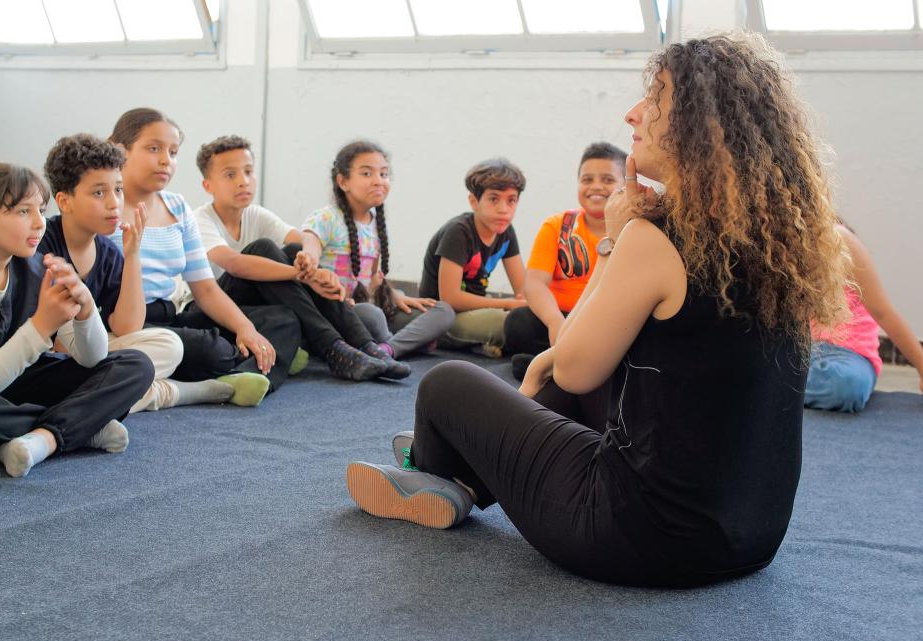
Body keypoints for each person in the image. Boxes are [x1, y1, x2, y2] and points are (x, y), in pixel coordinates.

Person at [345, 33, 850, 587]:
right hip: (750, 537)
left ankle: (439, 469)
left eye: (654, 100)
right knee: (566, 385)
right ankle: (465, 465)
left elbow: (571, 366)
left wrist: (614, 239)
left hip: (639, 537)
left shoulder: (656, 240)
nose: (632, 114)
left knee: (447, 384)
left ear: (700, 129)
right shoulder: (780, 244)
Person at [0, 163, 153, 477]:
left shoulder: (35, 267)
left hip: (14, 386)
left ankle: (42, 438)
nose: (38, 224)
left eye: (41, 211)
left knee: (135, 364)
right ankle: (77, 427)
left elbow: (92, 358)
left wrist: (86, 311)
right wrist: (41, 326)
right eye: (22, 212)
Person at [108, 108, 301, 405]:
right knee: (210, 349)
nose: (165, 160)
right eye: (154, 148)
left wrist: (245, 328)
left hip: (174, 313)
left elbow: (206, 289)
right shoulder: (106, 207)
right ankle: (244, 365)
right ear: (121, 151)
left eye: (172, 152)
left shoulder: (177, 206)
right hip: (129, 324)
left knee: (281, 320)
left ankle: (243, 376)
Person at [40, 133, 245, 411]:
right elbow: (55, 342)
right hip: (45, 360)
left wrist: (132, 254)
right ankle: (162, 393)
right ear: (64, 201)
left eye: (118, 190)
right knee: (116, 365)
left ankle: (104, 396)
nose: (114, 203)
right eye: (99, 193)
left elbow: (127, 327)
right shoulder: (43, 246)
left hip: (86, 356)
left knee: (169, 346)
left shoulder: (108, 252)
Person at [191, 134, 394, 381]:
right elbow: (234, 264)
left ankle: (363, 344)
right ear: (208, 186)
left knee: (291, 254)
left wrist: (310, 262)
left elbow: (304, 238)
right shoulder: (200, 220)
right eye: (230, 175)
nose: (243, 182)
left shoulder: (256, 214)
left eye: (248, 171)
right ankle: (333, 348)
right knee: (265, 249)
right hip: (208, 306)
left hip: (252, 305)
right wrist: (303, 275)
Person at [300, 140, 452, 365]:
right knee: (371, 315)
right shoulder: (326, 218)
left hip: (370, 307)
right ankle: (396, 345)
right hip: (339, 313)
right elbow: (308, 246)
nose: (378, 181)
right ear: (343, 181)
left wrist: (394, 296)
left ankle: (387, 348)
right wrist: (307, 258)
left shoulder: (375, 225)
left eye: (383, 174)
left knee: (442, 310)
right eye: (367, 173)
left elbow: (371, 280)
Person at [505, 143, 627, 379]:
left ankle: (550, 365)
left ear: (625, 186)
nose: (596, 187)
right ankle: (563, 362)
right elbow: (534, 284)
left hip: (602, 323)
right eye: (587, 179)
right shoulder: (557, 226)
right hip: (561, 317)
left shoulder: (633, 229)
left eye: (608, 180)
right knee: (518, 323)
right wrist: (554, 322)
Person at [804, 221, 923, 412]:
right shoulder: (772, 246)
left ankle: (773, 391)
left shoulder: (838, 240)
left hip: (847, 356)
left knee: (845, 385)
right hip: (800, 353)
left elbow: (883, 312)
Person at [418, 158, 527, 358]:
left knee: (530, 318)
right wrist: (509, 304)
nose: (504, 209)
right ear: (474, 201)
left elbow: (524, 290)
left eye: (511, 200)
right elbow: (450, 298)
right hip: (441, 318)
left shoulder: (506, 232)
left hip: (476, 310)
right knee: (508, 323)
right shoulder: (458, 232)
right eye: (494, 199)